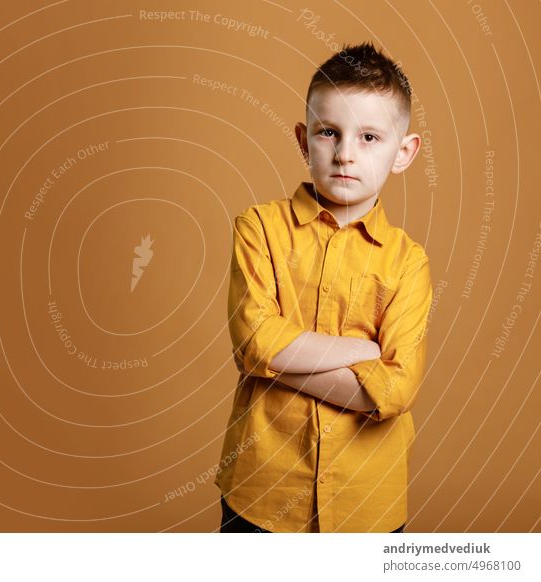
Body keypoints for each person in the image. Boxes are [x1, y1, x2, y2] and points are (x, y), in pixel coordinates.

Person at [214, 42, 432, 533]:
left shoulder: (408, 263)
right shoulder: (260, 229)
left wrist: (281, 363)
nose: (345, 154)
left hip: (367, 502)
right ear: (303, 138)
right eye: (328, 132)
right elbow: (252, 341)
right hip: (262, 492)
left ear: (404, 152)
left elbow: (396, 389)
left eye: (370, 137)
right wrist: (359, 350)